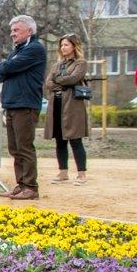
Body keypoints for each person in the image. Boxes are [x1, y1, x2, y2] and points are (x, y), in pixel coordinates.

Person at [0, 14, 47, 200]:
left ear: (29, 31)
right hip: (12, 104)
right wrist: (5, 66)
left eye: (16, 30)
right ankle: (21, 184)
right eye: (12, 30)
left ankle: (31, 187)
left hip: (25, 104)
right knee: (15, 148)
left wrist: (5, 66)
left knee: (24, 147)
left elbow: (6, 68)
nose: (12, 34)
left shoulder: (35, 49)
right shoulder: (16, 51)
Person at [43, 33, 90, 185]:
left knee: (75, 140)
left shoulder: (80, 63)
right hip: (56, 105)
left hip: (73, 106)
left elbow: (73, 79)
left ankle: (81, 175)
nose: (63, 47)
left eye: (66, 45)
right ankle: (63, 172)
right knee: (60, 140)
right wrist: (62, 83)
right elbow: (48, 83)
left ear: (74, 46)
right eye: (61, 45)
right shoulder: (57, 65)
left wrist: (58, 80)